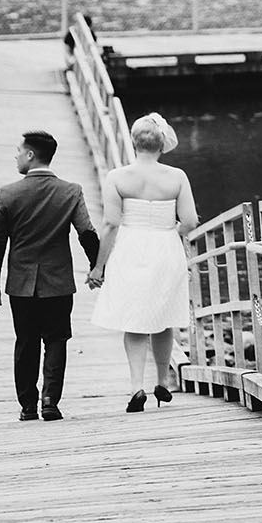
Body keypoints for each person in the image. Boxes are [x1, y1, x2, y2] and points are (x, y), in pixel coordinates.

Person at [0, 130, 102, 422]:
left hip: (21, 284)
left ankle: (27, 406)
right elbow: (87, 232)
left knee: (26, 341)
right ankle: (50, 400)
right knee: (57, 339)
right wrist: (97, 266)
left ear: (30, 155)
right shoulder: (70, 191)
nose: (15, 155)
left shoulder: (8, 193)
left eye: (18, 150)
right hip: (58, 282)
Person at [89, 112, 200, 413]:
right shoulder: (176, 177)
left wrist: (99, 267)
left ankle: (136, 386)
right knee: (163, 316)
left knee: (134, 318)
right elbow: (189, 221)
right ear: (163, 144)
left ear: (133, 142)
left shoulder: (117, 177)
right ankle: (162, 381)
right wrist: (170, 231)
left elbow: (111, 223)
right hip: (165, 245)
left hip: (131, 246)